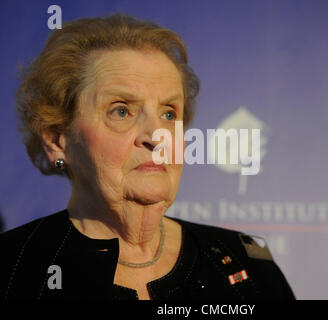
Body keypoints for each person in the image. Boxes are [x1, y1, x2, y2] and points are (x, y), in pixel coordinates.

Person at [0, 14, 295, 300]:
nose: (157, 136)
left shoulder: (246, 266)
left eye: (169, 113)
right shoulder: (14, 270)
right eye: (121, 111)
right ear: (56, 140)